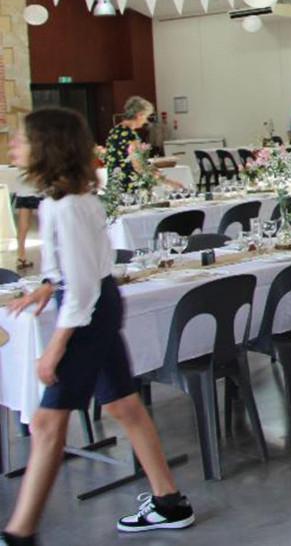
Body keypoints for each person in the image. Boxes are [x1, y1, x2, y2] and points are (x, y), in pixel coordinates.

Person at [3, 109, 195, 545]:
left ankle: (21, 532)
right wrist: (48, 285)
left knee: (48, 423)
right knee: (123, 406)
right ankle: (168, 501)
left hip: (89, 312)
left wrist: (55, 347)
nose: (14, 146)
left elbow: (84, 289)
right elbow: (76, 267)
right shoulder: (60, 200)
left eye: (21, 139)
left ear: (47, 147)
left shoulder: (69, 205)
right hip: (96, 304)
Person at [103, 97, 182, 193]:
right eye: (146, 116)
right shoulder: (130, 136)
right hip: (130, 189)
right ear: (139, 115)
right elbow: (139, 166)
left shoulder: (114, 131)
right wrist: (168, 182)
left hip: (115, 188)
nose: (146, 121)